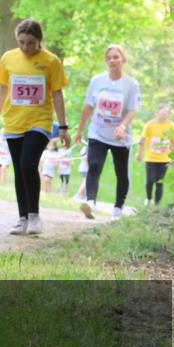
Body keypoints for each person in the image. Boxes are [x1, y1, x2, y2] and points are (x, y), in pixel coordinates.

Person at [0, 19, 69, 236]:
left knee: (27, 163)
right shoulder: (8, 58)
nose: (25, 48)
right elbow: (3, 91)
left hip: (39, 121)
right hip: (14, 121)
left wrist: (63, 126)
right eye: (21, 42)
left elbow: (57, 94)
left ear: (39, 41)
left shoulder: (51, 61)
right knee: (19, 169)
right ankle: (22, 218)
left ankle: (34, 216)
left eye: (30, 43)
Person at [74, 44, 141, 221]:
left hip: (120, 136)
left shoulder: (131, 84)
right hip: (98, 132)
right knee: (94, 165)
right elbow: (89, 106)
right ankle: (91, 202)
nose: (112, 60)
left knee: (122, 173)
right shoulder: (97, 81)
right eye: (109, 57)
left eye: (116, 57)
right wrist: (80, 130)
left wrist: (123, 126)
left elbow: (133, 109)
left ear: (123, 60)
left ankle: (118, 209)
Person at [137, 103, 174, 206]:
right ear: (157, 113)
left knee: (160, 182)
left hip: (164, 158)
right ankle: (149, 198)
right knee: (150, 180)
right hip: (150, 158)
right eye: (162, 113)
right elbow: (142, 139)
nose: (164, 116)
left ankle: (157, 205)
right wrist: (139, 153)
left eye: (167, 114)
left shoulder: (171, 126)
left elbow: (173, 142)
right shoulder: (150, 125)